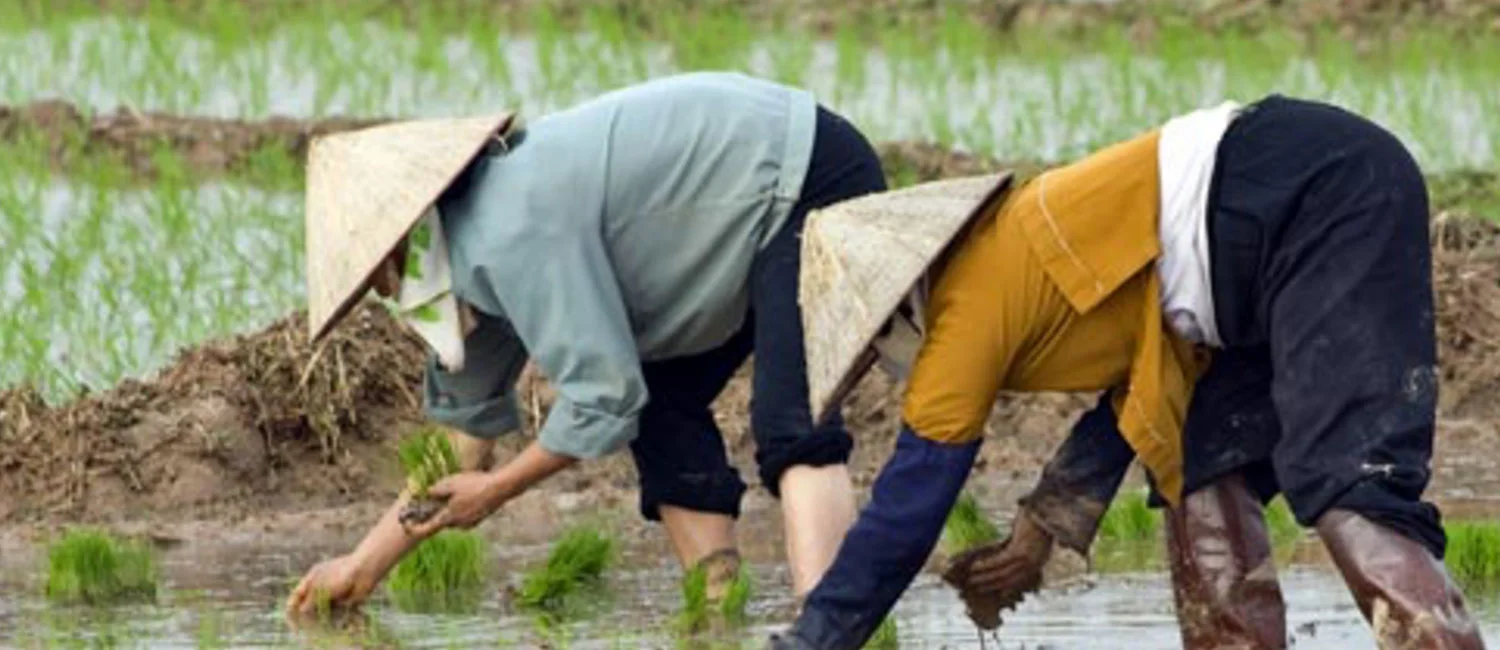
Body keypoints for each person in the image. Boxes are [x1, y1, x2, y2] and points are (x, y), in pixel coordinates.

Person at [772, 95, 1486, 649]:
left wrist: (816, 635)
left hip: (1304, 194)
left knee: (1349, 481)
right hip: (1262, 238)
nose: (885, 368)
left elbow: (911, 501)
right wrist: (1039, 531)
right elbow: (1140, 392)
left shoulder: (963, 313)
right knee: (1201, 465)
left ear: (898, 310)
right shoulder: (1009, 264)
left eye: (873, 352)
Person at [282, 72, 888, 616]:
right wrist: (361, 564)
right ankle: (716, 611)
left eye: (371, 275)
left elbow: (605, 396)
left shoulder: (509, 228)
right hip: (741, 211)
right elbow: (465, 443)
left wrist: (499, 491)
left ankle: (830, 629)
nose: (381, 292)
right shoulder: (461, 260)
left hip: (807, 174)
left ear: (400, 239)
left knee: (790, 423)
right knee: (663, 406)